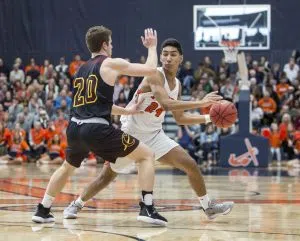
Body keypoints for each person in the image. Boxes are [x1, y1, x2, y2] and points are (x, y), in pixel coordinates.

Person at [63, 38, 234, 221]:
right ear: (160, 57)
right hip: (131, 132)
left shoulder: (176, 84)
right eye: (165, 54)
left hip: (154, 134)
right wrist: (202, 102)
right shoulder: (154, 75)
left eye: (173, 54)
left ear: (181, 59)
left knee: (190, 165)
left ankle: (208, 207)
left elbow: (181, 118)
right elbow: (166, 104)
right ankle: (77, 204)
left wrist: (210, 118)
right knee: (106, 177)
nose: (168, 58)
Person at [32, 26, 168, 226]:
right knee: (146, 155)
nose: (112, 46)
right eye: (111, 43)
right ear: (105, 44)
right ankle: (147, 207)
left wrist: (127, 111)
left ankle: (43, 209)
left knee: (66, 167)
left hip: (75, 128)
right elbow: (150, 69)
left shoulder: (81, 69)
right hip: (96, 129)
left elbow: (98, 105)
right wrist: (152, 47)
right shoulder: (110, 63)